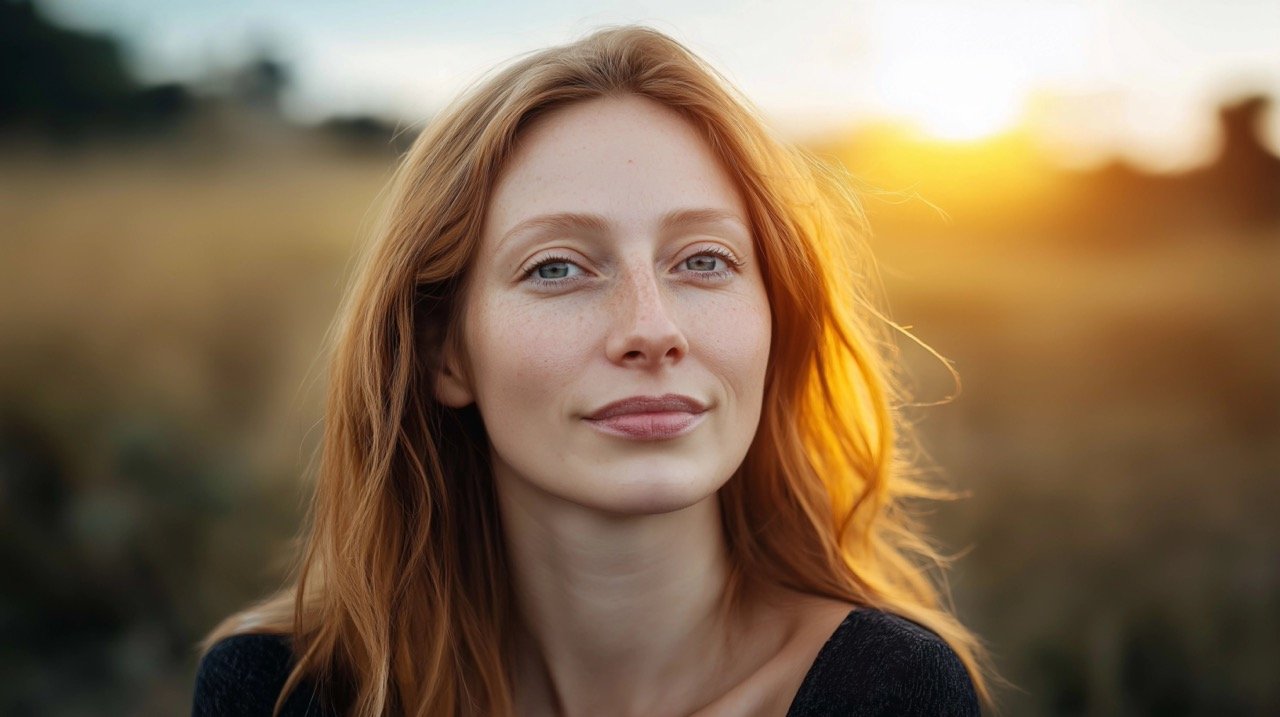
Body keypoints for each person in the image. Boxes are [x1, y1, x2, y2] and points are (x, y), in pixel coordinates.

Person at [193, 24, 995, 716]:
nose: (651, 330)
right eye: (557, 268)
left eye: (705, 259)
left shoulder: (889, 692)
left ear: (774, 317)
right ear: (445, 351)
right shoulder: (286, 692)